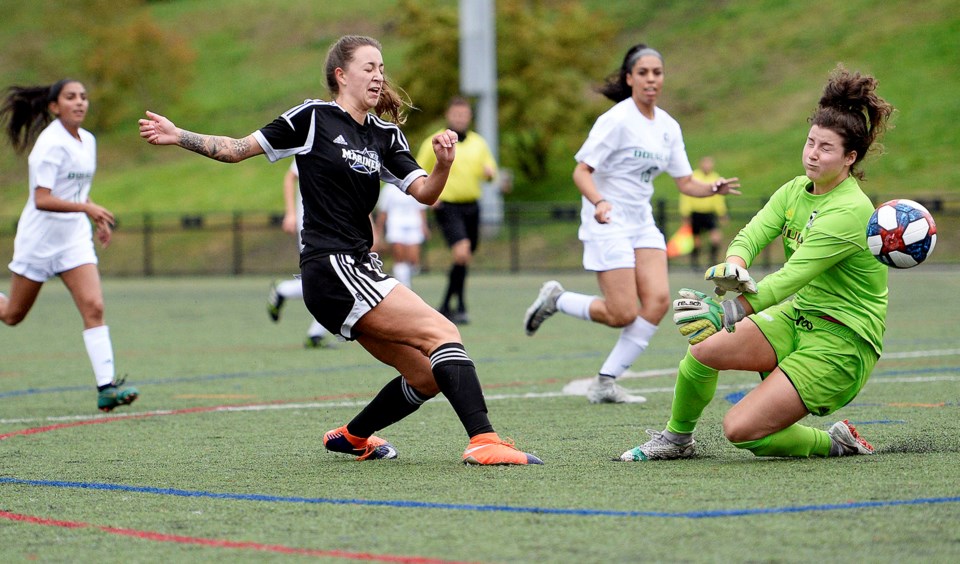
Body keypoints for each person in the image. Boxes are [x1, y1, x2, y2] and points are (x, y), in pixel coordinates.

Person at [139, 35, 540, 466]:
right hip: (332, 267)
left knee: (425, 376)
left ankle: (353, 436)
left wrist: (443, 165)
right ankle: (483, 440)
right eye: (369, 67)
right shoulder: (312, 118)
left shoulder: (386, 136)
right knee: (443, 332)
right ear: (341, 74)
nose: (379, 76)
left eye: (382, 68)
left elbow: (424, 193)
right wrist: (178, 135)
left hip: (358, 268)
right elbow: (237, 150)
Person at [619, 64, 893, 462]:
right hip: (800, 316)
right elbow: (751, 235)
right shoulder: (796, 189)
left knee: (741, 430)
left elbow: (789, 279)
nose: (813, 154)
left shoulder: (851, 210)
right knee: (703, 351)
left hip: (842, 343)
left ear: (850, 158)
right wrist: (735, 266)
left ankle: (836, 442)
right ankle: (677, 440)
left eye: (826, 148)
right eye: (810, 142)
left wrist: (725, 309)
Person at [523, 44, 740, 404]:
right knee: (621, 313)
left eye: (657, 72)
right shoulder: (616, 120)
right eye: (643, 73)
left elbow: (686, 182)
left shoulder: (668, 127)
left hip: (641, 222)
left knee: (656, 301)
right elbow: (581, 171)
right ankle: (557, 299)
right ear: (629, 79)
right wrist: (600, 201)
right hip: (606, 220)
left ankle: (605, 382)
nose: (651, 79)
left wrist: (712, 188)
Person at [0, 79, 138, 412]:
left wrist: (93, 215)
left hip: (73, 240)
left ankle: (106, 389)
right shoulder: (48, 146)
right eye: (70, 97)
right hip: (39, 241)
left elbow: (75, 190)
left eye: (84, 97)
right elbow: (43, 199)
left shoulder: (87, 141)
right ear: (54, 106)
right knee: (12, 315)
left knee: (94, 307)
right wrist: (86, 208)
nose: (79, 102)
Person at [416, 96, 497, 325]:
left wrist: (491, 174)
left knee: (465, 257)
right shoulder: (435, 141)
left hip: (472, 205)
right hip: (447, 205)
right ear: (448, 115)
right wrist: (428, 198)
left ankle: (446, 306)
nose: (460, 118)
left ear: (469, 116)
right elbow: (416, 170)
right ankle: (460, 305)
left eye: (464, 114)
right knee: (461, 253)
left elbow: (490, 172)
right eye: (456, 114)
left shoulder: (479, 143)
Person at [266, 160, 333, 349]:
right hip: (312, 226)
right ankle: (315, 334)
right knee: (326, 279)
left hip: (338, 226)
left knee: (330, 280)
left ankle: (284, 290)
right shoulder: (314, 139)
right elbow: (290, 177)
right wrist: (290, 213)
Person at [373, 182, 429, 288]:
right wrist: (378, 231)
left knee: (414, 260)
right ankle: (403, 286)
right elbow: (383, 211)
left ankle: (406, 278)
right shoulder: (389, 189)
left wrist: (424, 226)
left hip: (414, 225)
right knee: (399, 257)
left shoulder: (414, 185)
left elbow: (421, 208)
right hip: (395, 225)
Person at [678, 156, 729, 270]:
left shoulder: (715, 177)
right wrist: (685, 213)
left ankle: (712, 262)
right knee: (696, 241)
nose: (707, 166)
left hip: (709, 214)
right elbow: (686, 196)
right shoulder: (693, 177)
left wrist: (722, 213)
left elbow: (718, 198)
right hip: (696, 213)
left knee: (716, 238)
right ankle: (695, 263)